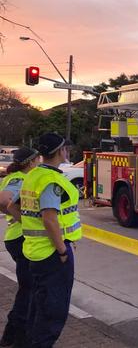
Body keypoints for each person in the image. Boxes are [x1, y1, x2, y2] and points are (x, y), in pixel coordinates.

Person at [20, 133, 83, 348]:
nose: (67, 152)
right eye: (66, 148)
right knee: (53, 311)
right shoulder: (51, 181)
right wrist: (62, 251)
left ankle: (30, 342)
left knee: (38, 305)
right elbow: (49, 218)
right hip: (52, 254)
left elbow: (17, 207)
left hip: (35, 250)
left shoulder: (33, 175)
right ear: (59, 151)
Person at [0, 147, 40, 347]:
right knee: (28, 290)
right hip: (20, 239)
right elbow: (4, 201)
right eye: (37, 159)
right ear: (31, 162)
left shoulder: (18, 177)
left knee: (28, 288)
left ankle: (13, 335)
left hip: (17, 239)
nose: (39, 162)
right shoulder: (19, 179)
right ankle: (15, 336)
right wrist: (26, 221)